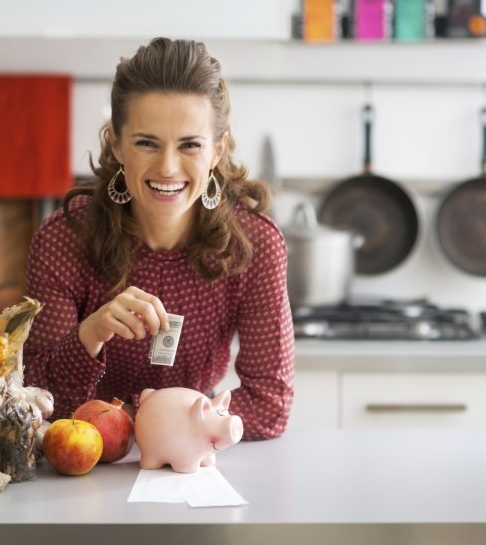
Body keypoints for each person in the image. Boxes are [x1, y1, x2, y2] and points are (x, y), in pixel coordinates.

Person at [22, 37, 294, 440]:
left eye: (190, 145)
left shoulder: (253, 244)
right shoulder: (64, 239)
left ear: (216, 152)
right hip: (86, 458)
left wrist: (154, 423)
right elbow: (34, 398)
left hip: (196, 458)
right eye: (146, 143)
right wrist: (90, 334)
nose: (167, 168)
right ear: (116, 144)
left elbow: (270, 404)